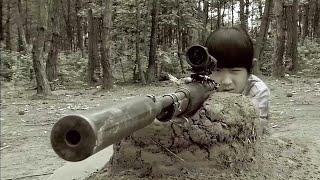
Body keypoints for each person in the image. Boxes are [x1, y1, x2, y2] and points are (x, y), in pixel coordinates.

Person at [205, 27, 270, 128]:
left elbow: (258, 128)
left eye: (235, 71)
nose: (226, 81)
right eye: (218, 70)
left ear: (249, 71)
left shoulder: (257, 91)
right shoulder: (203, 85)